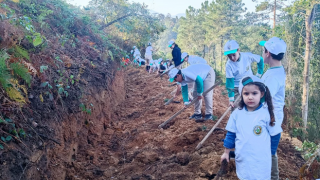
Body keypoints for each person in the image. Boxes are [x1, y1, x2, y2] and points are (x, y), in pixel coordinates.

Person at [221, 75, 277, 180]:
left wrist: (271, 153)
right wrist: (226, 152)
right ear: (241, 94)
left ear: (261, 94)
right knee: (244, 176)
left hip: (261, 160)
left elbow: (275, 134)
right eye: (246, 93)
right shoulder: (237, 114)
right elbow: (231, 134)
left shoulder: (266, 113)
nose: (250, 97)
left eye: (254, 93)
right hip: (243, 159)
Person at [259, 37, 287, 180]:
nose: (262, 53)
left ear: (268, 53)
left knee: (268, 154)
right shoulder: (275, 70)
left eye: (263, 50)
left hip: (270, 121)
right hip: (271, 119)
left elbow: (263, 98)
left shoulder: (273, 77)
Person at [224, 40, 264, 108]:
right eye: (229, 56)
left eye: (234, 55)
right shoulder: (229, 65)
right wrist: (231, 100)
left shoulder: (247, 56)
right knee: (236, 107)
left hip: (249, 84)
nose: (232, 58)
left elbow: (260, 59)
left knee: (251, 105)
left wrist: (258, 75)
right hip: (236, 87)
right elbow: (230, 83)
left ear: (238, 50)